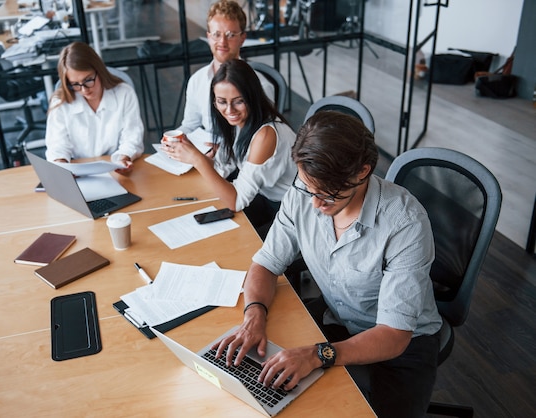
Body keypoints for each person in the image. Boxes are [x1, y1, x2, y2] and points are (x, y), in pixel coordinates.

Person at [213, 111, 443, 418]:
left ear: (363, 171)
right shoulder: (304, 189)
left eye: (328, 195)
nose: (315, 205)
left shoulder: (404, 223)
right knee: (264, 389)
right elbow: (266, 264)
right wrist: (254, 314)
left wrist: (318, 354)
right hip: (337, 319)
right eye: (309, 189)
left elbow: (394, 334)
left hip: (402, 345)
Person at [162, 59, 296, 234]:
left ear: (252, 97)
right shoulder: (240, 123)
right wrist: (196, 155)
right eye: (222, 101)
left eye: (238, 101)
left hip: (290, 212)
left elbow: (235, 201)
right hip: (265, 198)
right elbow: (223, 168)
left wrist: (197, 159)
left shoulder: (266, 135)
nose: (229, 110)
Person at [176, 0, 274, 136]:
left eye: (230, 35)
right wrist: (175, 139)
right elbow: (190, 125)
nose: (222, 42)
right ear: (208, 37)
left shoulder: (261, 85)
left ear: (242, 38)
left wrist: (219, 149)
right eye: (216, 34)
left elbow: (263, 137)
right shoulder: (197, 80)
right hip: (207, 150)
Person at [45, 42, 144, 174]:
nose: (84, 90)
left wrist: (124, 158)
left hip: (114, 169)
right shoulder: (61, 102)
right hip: (77, 172)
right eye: (75, 84)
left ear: (99, 70)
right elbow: (57, 146)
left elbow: (132, 137)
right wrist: (62, 167)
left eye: (88, 80)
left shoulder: (124, 93)